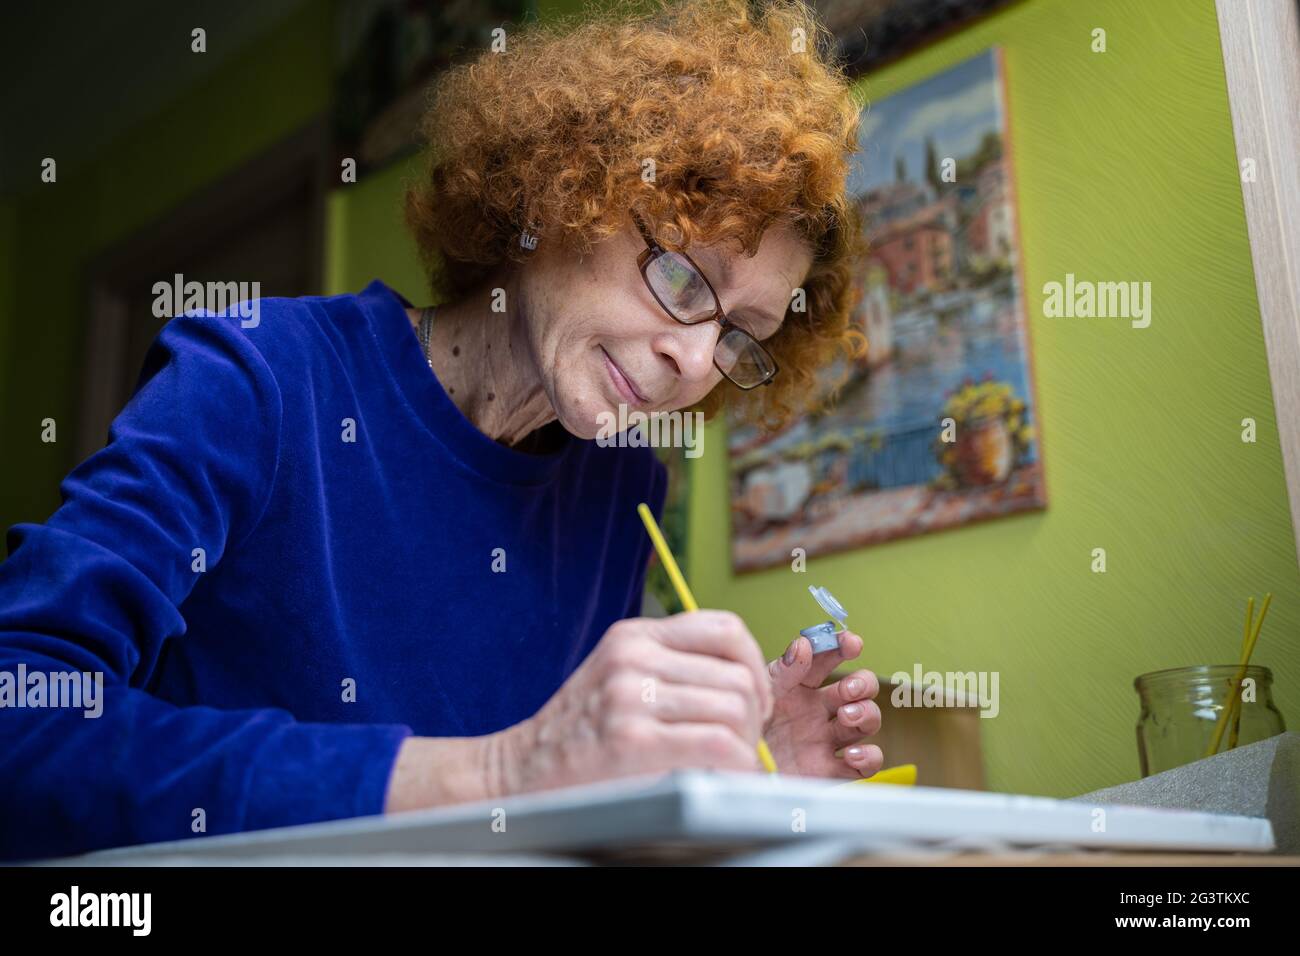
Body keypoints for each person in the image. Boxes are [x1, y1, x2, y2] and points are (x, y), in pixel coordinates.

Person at [0, 0, 883, 862]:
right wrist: (500, 771)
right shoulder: (262, 378)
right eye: (687, 280)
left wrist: (731, 778)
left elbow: (549, 822)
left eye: (740, 336)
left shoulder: (624, 491)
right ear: (566, 190)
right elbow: (21, 714)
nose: (696, 365)